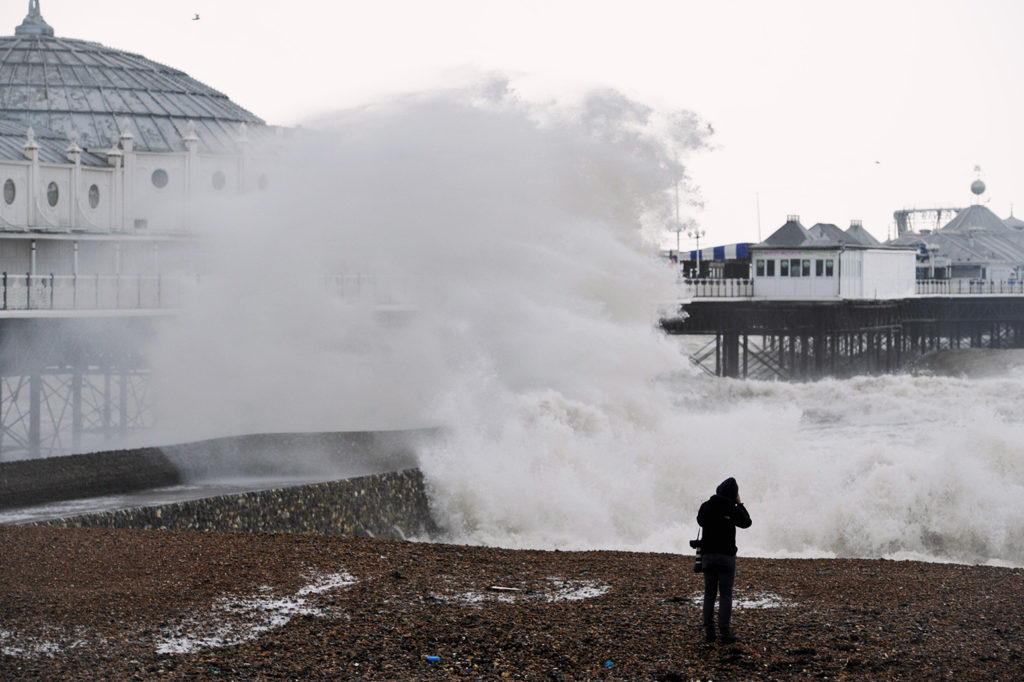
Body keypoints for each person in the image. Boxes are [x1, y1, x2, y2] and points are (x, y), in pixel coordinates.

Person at [697, 477, 752, 644]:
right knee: (725, 595)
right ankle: (725, 632)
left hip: (708, 555)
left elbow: (700, 520)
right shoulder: (732, 507)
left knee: (709, 594)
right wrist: (740, 504)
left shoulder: (706, 506)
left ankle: (709, 632)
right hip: (726, 557)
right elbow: (746, 523)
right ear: (734, 494)